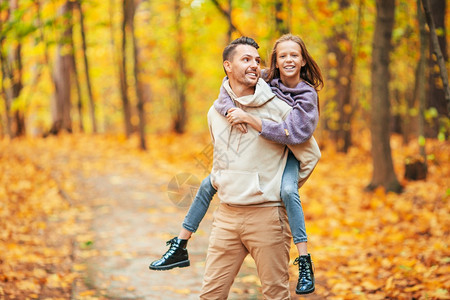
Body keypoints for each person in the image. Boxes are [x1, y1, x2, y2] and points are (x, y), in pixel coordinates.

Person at [150, 34, 322, 296]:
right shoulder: (215, 112)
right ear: (228, 66)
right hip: (226, 218)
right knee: (211, 294)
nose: (254, 64)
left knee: (275, 294)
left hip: (267, 218)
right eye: (246, 59)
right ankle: (180, 245)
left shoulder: (279, 109)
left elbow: (310, 155)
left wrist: (279, 187)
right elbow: (221, 156)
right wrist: (222, 179)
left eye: (257, 60)